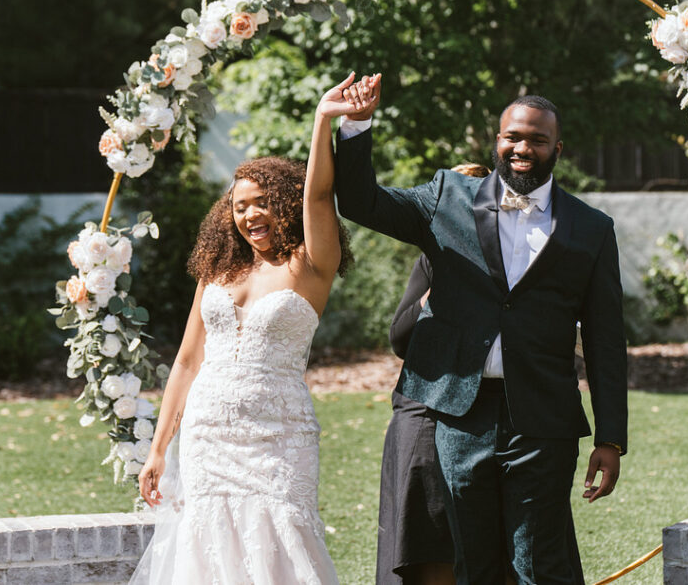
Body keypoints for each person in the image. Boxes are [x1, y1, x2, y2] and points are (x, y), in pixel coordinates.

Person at [336, 76, 628, 584]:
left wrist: (612, 437)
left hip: (543, 420)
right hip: (459, 415)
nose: (523, 148)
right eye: (513, 136)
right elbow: (361, 203)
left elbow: (605, 340)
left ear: (557, 149)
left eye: (537, 140)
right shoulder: (447, 197)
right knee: (471, 563)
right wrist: (358, 125)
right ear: (497, 141)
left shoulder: (591, 228)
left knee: (536, 564)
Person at [130, 74, 369, 584]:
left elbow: (322, 195)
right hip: (207, 434)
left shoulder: (311, 265)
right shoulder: (218, 272)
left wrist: (322, 121)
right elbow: (189, 360)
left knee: (281, 540)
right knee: (207, 547)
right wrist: (157, 448)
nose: (250, 214)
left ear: (284, 202)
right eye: (239, 206)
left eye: (261, 201)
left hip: (278, 436)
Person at [378, 164, 489, 585]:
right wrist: (437, 294)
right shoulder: (432, 258)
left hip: (492, 413)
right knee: (426, 538)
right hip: (424, 406)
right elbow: (400, 338)